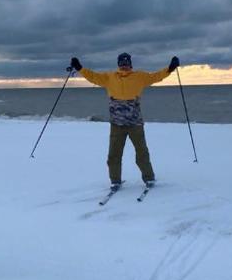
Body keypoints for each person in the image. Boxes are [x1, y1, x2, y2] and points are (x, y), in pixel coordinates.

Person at [69, 52, 180, 187]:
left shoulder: (140, 77)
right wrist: (80, 67)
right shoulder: (109, 77)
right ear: (118, 64)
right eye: (122, 63)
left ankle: (149, 177)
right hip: (117, 124)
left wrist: (170, 68)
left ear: (130, 64)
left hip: (135, 123)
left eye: (126, 63)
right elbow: (93, 76)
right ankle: (115, 180)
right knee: (114, 155)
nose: (124, 66)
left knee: (142, 153)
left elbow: (156, 76)